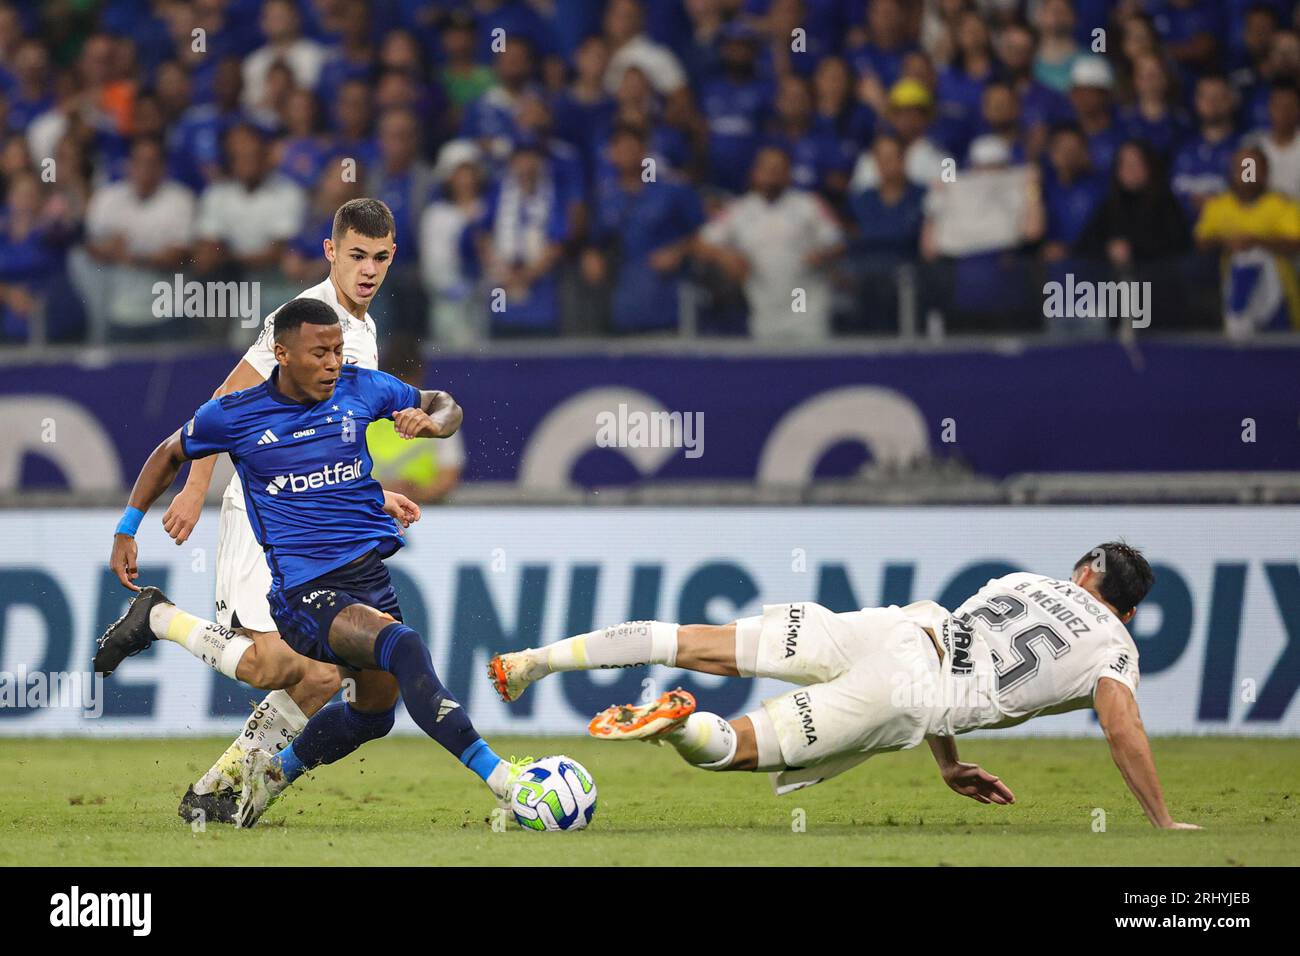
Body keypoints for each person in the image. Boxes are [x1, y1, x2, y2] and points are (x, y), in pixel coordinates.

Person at [96, 297, 522, 829]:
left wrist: (434, 423)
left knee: (372, 715)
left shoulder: (360, 388)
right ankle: (506, 779)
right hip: (305, 591)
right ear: (282, 354)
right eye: (319, 353)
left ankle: (269, 778)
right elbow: (168, 453)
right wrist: (127, 529)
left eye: (339, 351)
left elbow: (442, 402)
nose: (332, 363)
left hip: (367, 576)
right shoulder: (236, 414)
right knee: (402, 647)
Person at [489, 543, 1200, 829]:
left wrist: (949, 761)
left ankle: (533, 661)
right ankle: (676, 723)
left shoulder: (1024, 582)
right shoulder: (1114, 643)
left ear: (1082, 574)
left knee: (693, 642)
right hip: (909, 694)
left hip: (893, 628)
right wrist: (1162, 821)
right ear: (1129, 609)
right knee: (733, 748)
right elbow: (1121, 726)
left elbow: (953, 651)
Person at [132, 199, 413, 825]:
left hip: (315, 519)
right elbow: (226, 400)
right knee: (273, 666)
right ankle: (160, 618)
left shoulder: (361, 333)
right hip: (266, 514)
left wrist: (372, 496)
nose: (368, 270)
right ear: (330, 252)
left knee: (319, 679)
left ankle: (219, 791)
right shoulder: (300, 320)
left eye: (381, 257)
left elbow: (331, 439)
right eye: (357, 255)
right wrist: (192, 485)